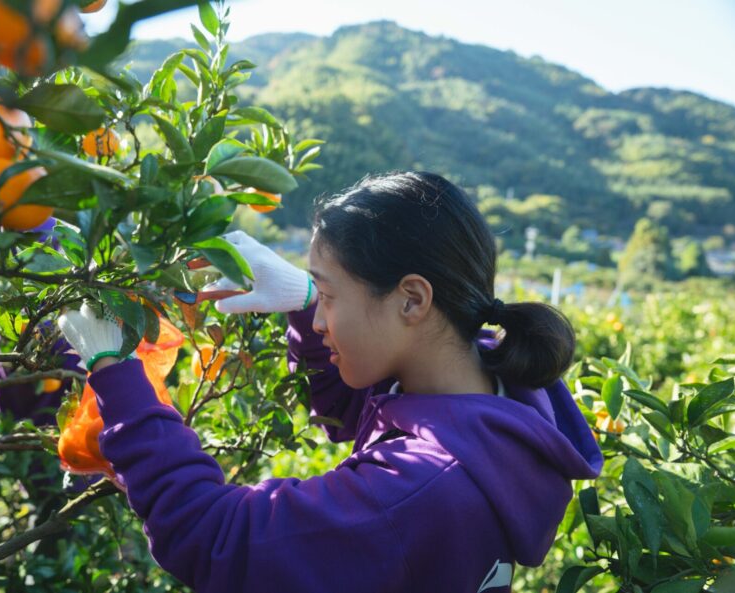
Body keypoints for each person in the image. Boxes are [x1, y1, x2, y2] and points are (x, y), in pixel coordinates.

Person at [57, 171, 603, 593]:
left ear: (412, 300)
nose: (320, 320)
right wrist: (305, 298)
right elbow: (352, 408)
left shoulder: (414, 492)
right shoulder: (493, 389)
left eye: (330, 296)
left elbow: (217, 537)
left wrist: (116, 374)